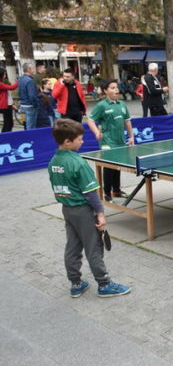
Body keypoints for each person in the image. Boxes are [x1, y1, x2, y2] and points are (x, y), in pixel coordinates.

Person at [48, 118, 131, 298]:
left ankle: (76, 283)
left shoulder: (53, 161)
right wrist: (100, 214)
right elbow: (91, 193)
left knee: (72, 247)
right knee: (93, 247)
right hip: (83, 211)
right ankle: (104, 284)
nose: (82, 141)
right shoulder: (78, 162)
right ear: (68, 141)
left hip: (67, 210)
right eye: (79, 139)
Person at [87, 79, 134, 202]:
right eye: (112, 88)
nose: (116, 90)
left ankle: (116, 190)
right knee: (108, 167)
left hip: (120, 141)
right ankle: (107, 193)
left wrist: (131, 137)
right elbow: (90, 120)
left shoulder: (122, 104)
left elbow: (127, 121)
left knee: (117, 166)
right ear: (105, 91)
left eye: (116, 87)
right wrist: (97, 132)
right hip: (107, 142)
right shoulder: (101, 105)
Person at [18, 63, 39, 129]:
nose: (34, 70)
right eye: (33, 68)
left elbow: (20, 92)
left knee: (25, 125)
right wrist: (35, 105)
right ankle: (31, 136)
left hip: (23, 105)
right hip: (30, 106)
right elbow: (32, 95)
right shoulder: (30, 80)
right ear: (29, 69)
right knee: (31, 126)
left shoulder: (21, 79)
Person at [0, 67, 18, 132]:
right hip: (5, 106)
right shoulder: (0, 84)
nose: (5, 76)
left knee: (9, 123)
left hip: (8, 105)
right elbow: (11, 87)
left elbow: (8, 95)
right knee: (8, 123)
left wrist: (12, 104)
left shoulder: (2, 83)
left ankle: (6, 134)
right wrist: (17, 82)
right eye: (4, 74)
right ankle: (5, 135)